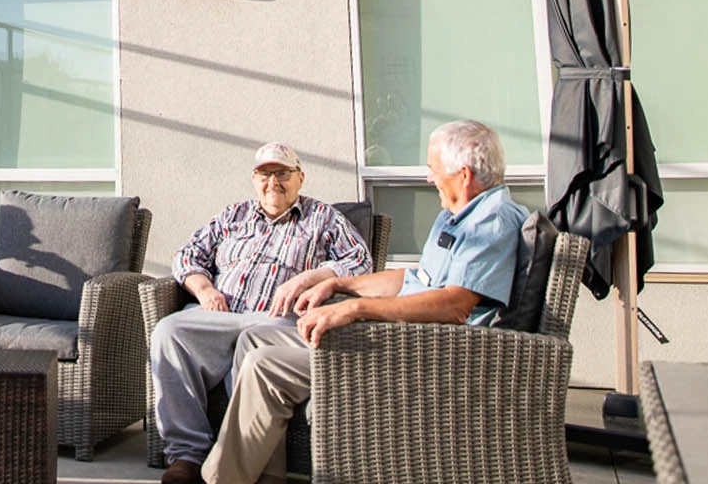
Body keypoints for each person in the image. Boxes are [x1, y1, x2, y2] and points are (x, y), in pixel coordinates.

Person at [201, 119, 529, 484]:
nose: (428, 178)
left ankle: (222, 479)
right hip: (400, 334)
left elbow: (454, 305)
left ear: (463, 175)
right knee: (255, 338)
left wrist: (353, 308)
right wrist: (340, 285)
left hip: (427, 351)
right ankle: (265, 475)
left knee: (265, 366)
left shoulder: (491, 222)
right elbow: (416, 279)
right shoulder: (457, 216)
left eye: (434, 170)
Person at [151, 142, 372, 484]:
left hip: (279, 318)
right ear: (254, 180)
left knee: (255, 340)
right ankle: (186, 455)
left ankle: (256, 467)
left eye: (283, 173)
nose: (274, 183)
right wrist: (205, 289)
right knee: (169, 331)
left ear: (300, 178)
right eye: (265, 174)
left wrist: (309, 278)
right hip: (221, 312)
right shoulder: (232, 215)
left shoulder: (323, 217)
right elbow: (187, 256)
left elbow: (360, 262)